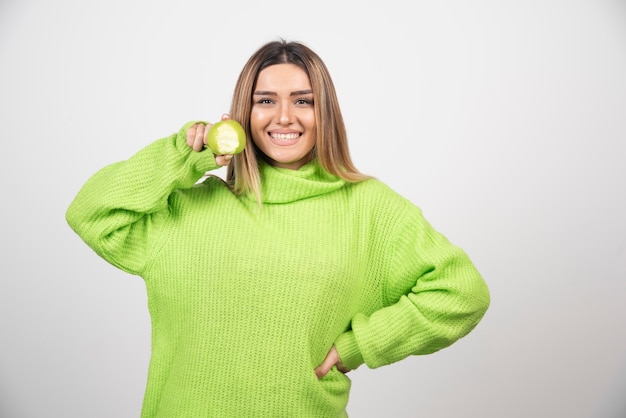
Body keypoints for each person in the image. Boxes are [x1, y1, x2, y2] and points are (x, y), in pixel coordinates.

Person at [66, 39, 490, 417]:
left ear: (324, 112)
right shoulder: (187, 211)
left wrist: (359, 346)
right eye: (265, 101)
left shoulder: (368, 208)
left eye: (303, 101)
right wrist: (184, 155)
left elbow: (461, 292)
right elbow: (91, 212)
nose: (284, 117)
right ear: (241, 115)